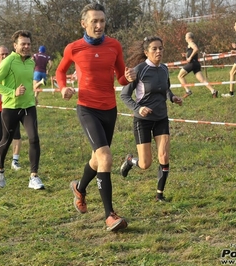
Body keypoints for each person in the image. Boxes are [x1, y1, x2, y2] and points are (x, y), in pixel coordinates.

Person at [56, 3, 136, 232]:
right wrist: (63, 88)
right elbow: (60, 71)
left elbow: (121, 78)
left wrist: (127, 77)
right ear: (84, 24)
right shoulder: (74, 48)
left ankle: (79, 187)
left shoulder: (114, 45)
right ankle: (109, 215)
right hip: (87, 108)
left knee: (97, 159)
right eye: (94, 21)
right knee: (106, 157)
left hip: (109, 109)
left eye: (102, 21)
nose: (99, 25)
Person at [120, 36, 183, 202]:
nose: (158, 52)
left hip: (161, 117)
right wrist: (138, 108)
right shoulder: (139, 70)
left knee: (164, 156)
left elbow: (166, 88)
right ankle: (130, 161)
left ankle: (159, 195)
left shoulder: (164, 69)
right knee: (145, 163)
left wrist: (172, 97)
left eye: (161, 48)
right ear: (146, 52)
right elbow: (124, 95)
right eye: (154, 49)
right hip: (143, 120)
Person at [0, 30, 44, 190]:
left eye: (28, 44)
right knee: (5, 141)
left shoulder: (31, 61)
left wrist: (34, 90)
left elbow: (27, 81)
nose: (26, 47)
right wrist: (12, 92)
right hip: (11, 107)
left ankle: (34, 176)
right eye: (23, 44)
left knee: (34, 138)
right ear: (15, 45)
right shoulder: (8, 61)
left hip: (28, 106)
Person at [178, 32, 218, 98]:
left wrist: (190, 57)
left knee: (180, 76)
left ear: (189, 37)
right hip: (196, 64)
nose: (185, 38)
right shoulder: (190, 44)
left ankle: (188, 91)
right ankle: (213, 91)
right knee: (202, 80)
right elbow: (192, 51)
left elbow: (196, 49)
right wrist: (186, 55)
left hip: (192, 63)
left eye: (185, 37)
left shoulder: (191, 43)